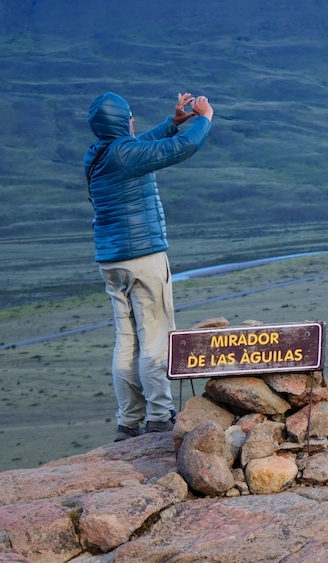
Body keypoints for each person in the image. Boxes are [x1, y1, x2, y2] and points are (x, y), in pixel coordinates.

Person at [85, 90, 214, 442]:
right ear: (122, 121)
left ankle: (128, 421)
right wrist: (203, 119)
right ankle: (159, 416)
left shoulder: (98, 153)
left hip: (112, 261)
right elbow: (178, 150)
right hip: (143, 257)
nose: (132, 122)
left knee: (127, 341)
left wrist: (172, 123)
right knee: (156, 337)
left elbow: (138, 145)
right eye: (129, 117)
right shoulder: (123, 153)